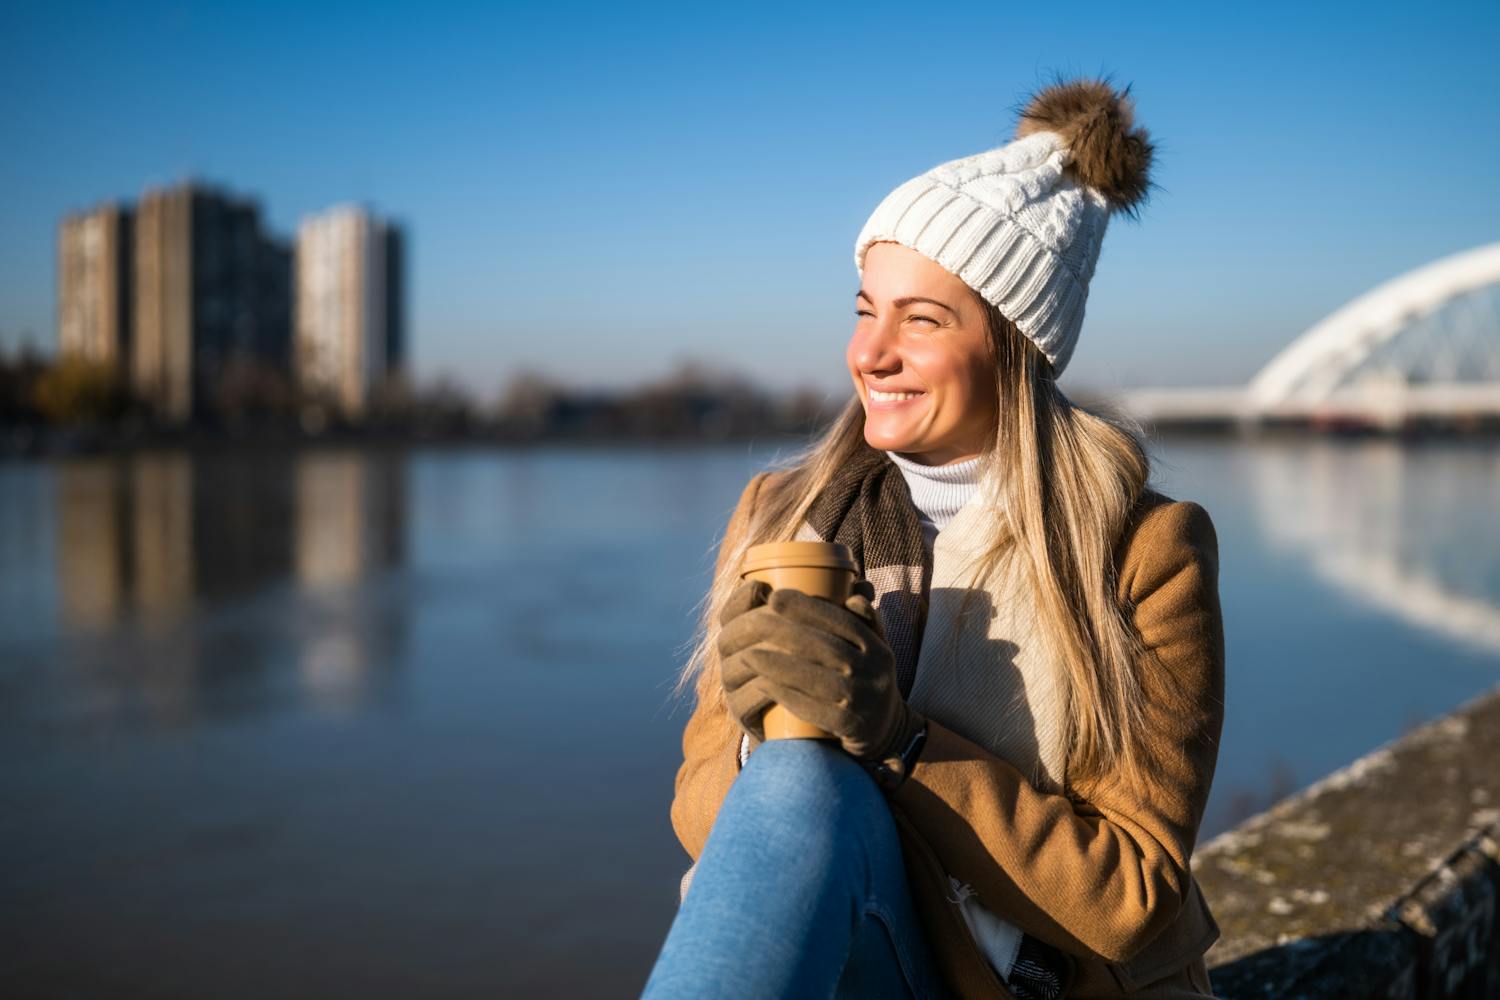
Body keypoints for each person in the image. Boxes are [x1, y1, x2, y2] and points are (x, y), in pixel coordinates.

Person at [642, 74, 1225, 1000]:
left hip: (1030, 981)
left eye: (922, 319)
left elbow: (1134, 898)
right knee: (794, 783)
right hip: (862, 952)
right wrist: (757, 749)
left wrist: (902, 743)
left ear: (1014, 346)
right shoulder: (781, 514)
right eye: (867, 309)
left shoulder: (1142, 549)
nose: (871, 353)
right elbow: (697, 815)